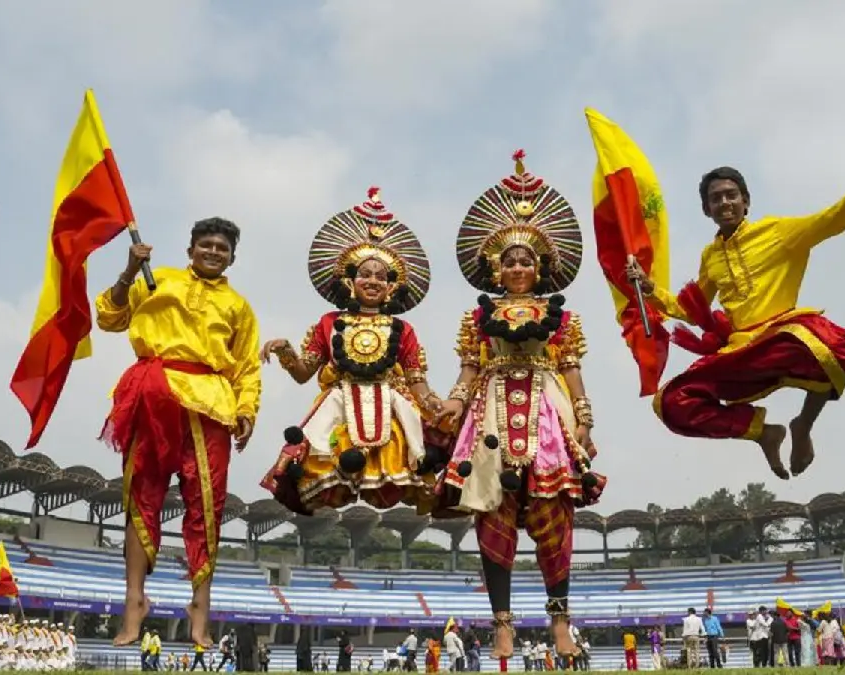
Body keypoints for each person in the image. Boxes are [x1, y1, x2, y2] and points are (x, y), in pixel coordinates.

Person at [626, 113, 845, 479]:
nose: (724, 203)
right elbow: (692, 309)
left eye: (731, 195)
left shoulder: (779, 232)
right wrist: (648, 289)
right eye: (715, 199)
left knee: (835, 345)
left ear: (746, 201)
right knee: (671, 403)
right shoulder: (710, 256)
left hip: (784, 338)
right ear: (706, 210)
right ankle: (763, 432)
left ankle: (803, 424)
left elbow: (839, 214)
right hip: (742, 353)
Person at [435, 151, 606, 661]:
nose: (516, 267)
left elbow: (573, 370)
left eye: (525, 259)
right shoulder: (477, 316)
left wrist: (584, 422)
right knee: (492, 512)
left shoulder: (561, 317)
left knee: (555, 514)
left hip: (547, 412)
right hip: (489, 413)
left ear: (540, 267)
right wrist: (452, 403)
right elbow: (468, 369)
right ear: (495, 266)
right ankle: (502, 624)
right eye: (508, 259)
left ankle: (560, 621)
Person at [97, 217, 262, 647]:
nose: (212, 252)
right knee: (141, 495)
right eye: (205, 245)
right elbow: (109, 316)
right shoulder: (157, 279)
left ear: (232, 258)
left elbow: (247, 366)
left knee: (206, 506)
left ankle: (199, 609)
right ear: (190, 250)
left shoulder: (239, 306)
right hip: (154, 393)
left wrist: (247, 409)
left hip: (211, 403)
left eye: (221, 248)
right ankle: (134, 602)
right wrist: (130, 270)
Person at [261, 188, 442, 514]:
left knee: (410, 458)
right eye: (365, 274)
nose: (372, 281)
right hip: (339, 405)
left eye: (381, 277)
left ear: (391, 287)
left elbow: (417, 382)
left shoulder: (404, 330)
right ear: (350, 281)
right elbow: (304, 373)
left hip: (390, 407)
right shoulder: (329, 323)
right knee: (319, 462)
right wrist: (286, 350)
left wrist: (436, 405)